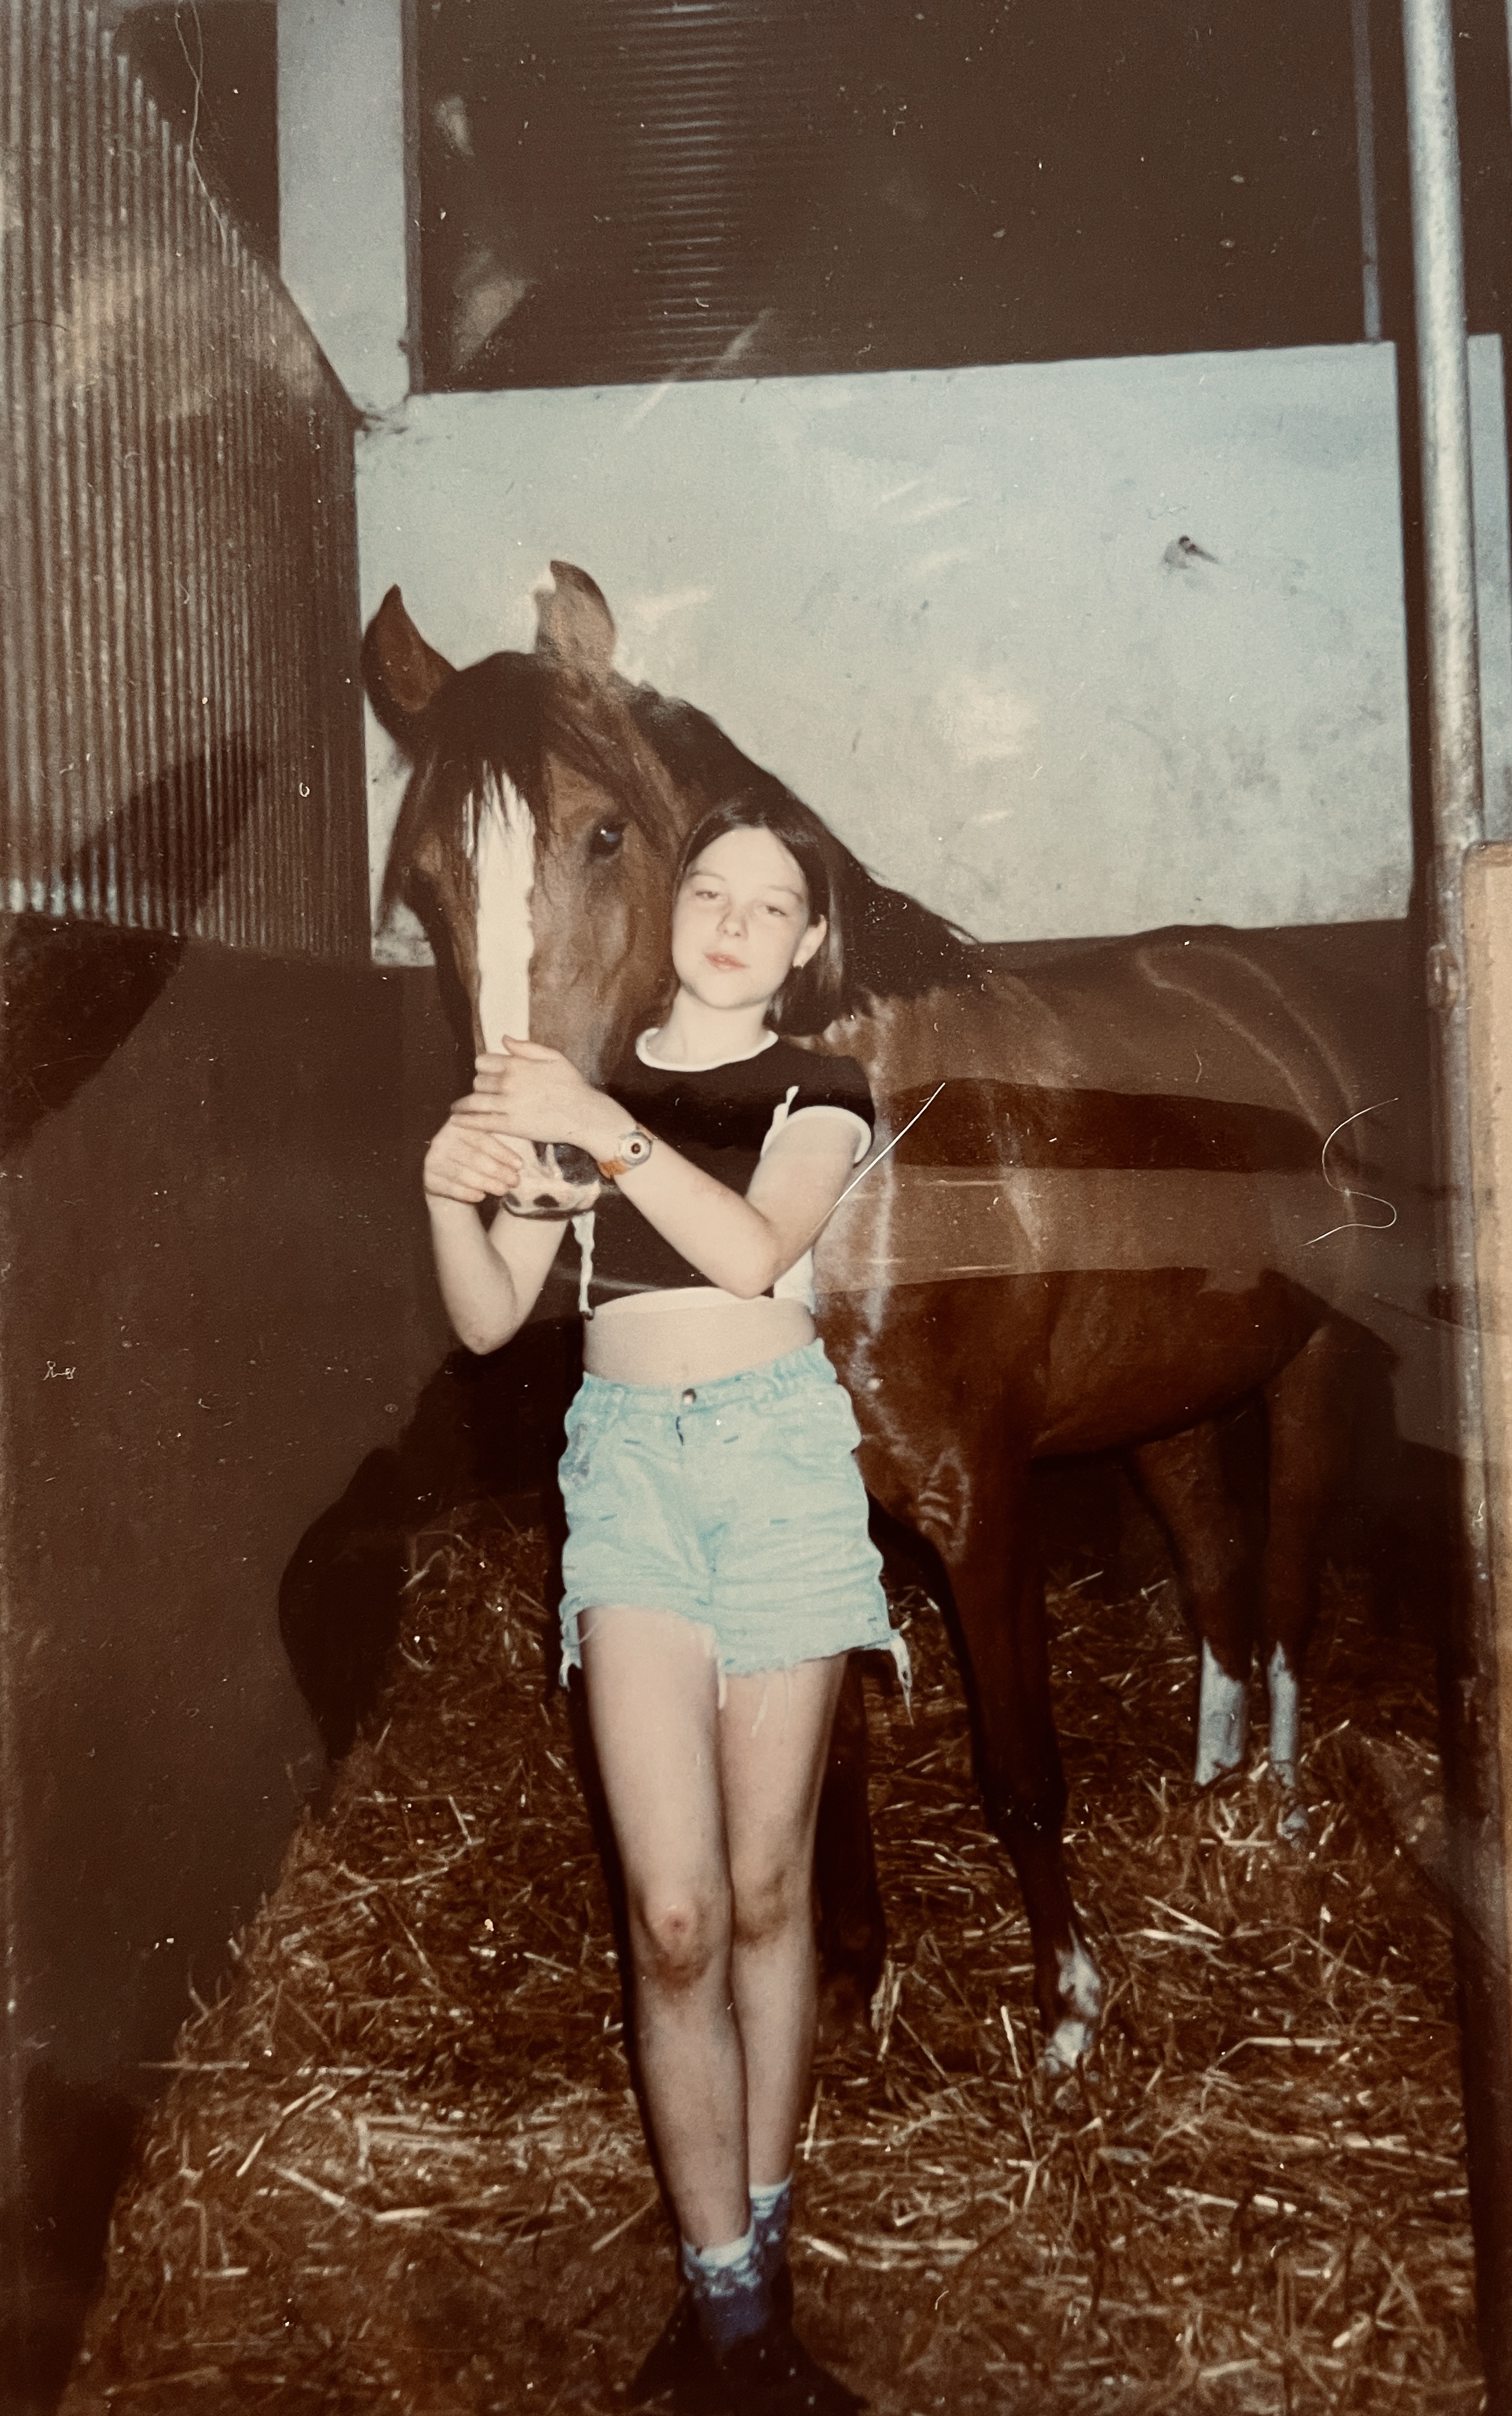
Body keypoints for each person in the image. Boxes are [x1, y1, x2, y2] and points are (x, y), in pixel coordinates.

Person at [422, 790, 906, 2416]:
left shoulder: (819, 1085)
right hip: (627, 1473)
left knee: (766, 1892)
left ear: (807, 941)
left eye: (770, 904)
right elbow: (489, 1317)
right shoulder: (586, 1081)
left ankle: (751, 2298)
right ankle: (723, 2306)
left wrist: (598, 1126)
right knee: (676, 1912)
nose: (732, 922)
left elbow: (757, 1252)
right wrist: (448, 1187)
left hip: (775, 1469)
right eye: (711, 889)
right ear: (671, 905)